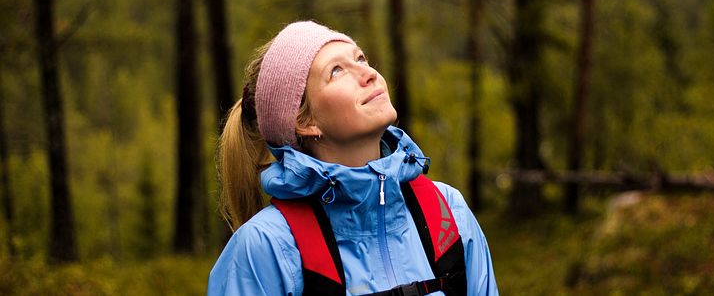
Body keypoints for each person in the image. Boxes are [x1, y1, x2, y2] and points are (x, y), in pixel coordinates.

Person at [207, 21, 499, 296]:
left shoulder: (447, 212)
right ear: (304, 121)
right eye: (336, 71)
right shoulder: (266, 248)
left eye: (360, 58)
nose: (369, 73)